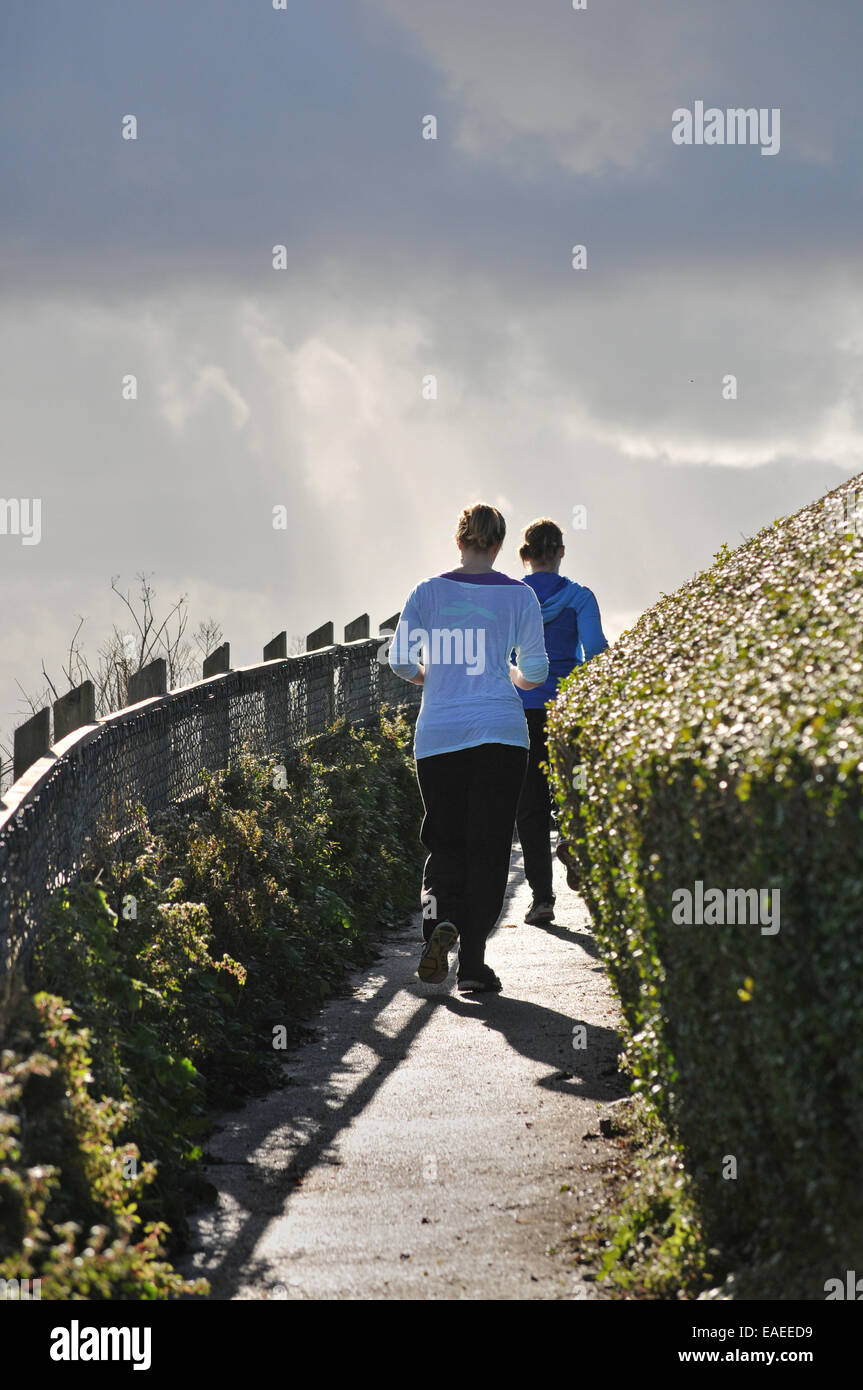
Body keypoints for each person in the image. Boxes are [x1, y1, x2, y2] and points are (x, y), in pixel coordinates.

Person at [388, 503, 548, 993]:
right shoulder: (520, 596)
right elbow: (537, 673)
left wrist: (429, 677)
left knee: (444, 843)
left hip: (439, 737)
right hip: (500, 734)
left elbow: (398, 661)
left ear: (458, 541)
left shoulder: (427, 592)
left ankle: (437, 924)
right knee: (491, 847)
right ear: (498, 546)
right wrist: (512, 676)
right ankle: (473, 966)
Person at [514, 518, 608, 924]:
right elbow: (598, 651)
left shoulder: (512, 598)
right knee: (575, 786)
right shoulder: (580, 597)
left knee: (529, 806)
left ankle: (542, 900)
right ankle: (572, 835)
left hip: (521, 709)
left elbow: (501, 654)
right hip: (567, 711)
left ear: (525, 555)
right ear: (561, 553)